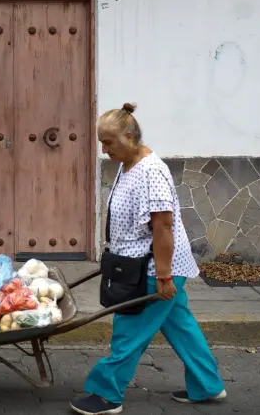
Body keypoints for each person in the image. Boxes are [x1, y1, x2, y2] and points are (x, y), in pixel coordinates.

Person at [71, 103, 226, 415]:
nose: (104, 150)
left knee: (129, 331)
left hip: (152, 270)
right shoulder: (129, 163)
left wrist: (164, 277)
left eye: (109, 142)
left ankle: (107, 395)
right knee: (180, 326)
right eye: (101, 142)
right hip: (138, 265)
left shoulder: (151, 172)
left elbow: (163, 227)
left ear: (129, 137)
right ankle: (208, 385)